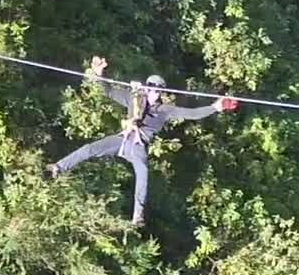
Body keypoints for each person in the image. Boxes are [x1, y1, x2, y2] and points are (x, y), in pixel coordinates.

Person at [45, 56, 238, 226]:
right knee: (89, 149)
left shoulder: (164, 110)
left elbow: (192, 114)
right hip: (123, 138)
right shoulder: (134, 98)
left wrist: (216, 106)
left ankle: (137, 215)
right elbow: (109, 91)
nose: (153, 93)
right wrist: (99, 73)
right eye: (151, 89)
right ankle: (58, 167)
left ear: (161, 92)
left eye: (157, 91)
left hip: (138, 145)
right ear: (147, 89)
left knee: (143, 173)